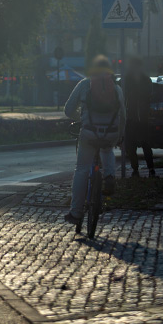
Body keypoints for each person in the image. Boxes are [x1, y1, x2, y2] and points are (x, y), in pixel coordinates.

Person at [64, 55, 126, 225]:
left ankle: (76, 213)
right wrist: (120, 135)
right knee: (107, 149)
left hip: (89, 133)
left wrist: (81, 118)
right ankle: (109, 176)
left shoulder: (84, 84)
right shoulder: (117, 88)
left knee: (82, 169)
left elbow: (68, 109)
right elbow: (123, 115)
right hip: (111, 133)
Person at [122, 57, 155, 178]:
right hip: (131, 117)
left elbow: (148, 96)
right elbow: (123, 95)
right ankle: (135, 169)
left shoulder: (146, 80)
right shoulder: (127, 79)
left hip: (142, 118)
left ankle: (151, 169)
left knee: (146, 144)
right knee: (130, 146)